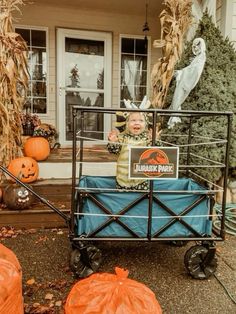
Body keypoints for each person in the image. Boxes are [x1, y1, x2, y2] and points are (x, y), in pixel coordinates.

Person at [107, 110, 160, 190]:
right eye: (133, 120)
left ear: (146, 124)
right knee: (125, 199)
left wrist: (154, 141)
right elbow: (114, 151)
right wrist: (113, 142)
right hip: (123, 178)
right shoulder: (122, 137)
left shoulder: (147, 138)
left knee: (142, 198)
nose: (137, 123)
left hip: (141, 179)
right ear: (127, 124)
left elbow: (156, 152)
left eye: (141, 120)